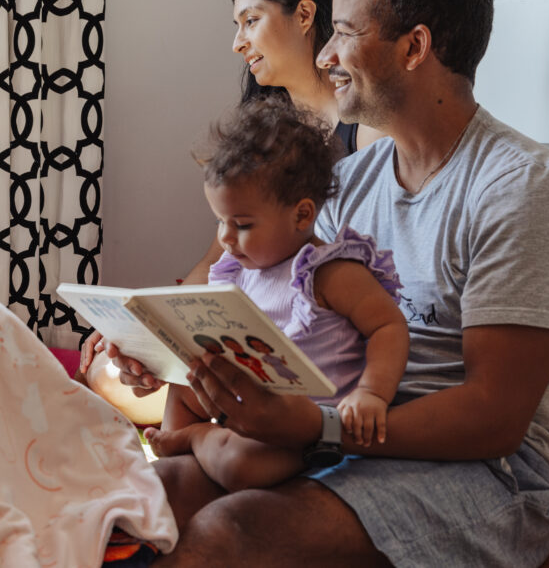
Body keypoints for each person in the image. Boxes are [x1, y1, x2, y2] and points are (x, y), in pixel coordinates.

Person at [127, 0, 549, 567]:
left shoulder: (522, 193)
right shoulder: (351, 181)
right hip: (347, 437)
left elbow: (495, 419)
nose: (324, 55)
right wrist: (166, 356)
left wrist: (315, 427)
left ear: (414, 47)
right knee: (150, 497)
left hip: (490, 476)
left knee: (230, 531)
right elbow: (284, 316)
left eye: (343, 32)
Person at [80, 0, 384, 380]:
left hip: (322, 346)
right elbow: (217, 260)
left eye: (251, 20)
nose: (238, 43)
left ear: (303, 15)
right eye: (237, 26)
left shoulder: (364, 128)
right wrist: (143, 319)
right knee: (108, 371)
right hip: (248, 334)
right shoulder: (264, 139)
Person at [142, 99, 408, 494]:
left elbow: (389, 326)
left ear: (302, 216)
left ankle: (196, 440)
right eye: (220, 221)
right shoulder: (242, 268)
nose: (226, 238)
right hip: (248, 404)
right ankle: (185, 456)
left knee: (240, 466)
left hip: (305, 425)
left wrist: (372, 393)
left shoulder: (330, 272)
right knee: (185, 383)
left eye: (242, 224)